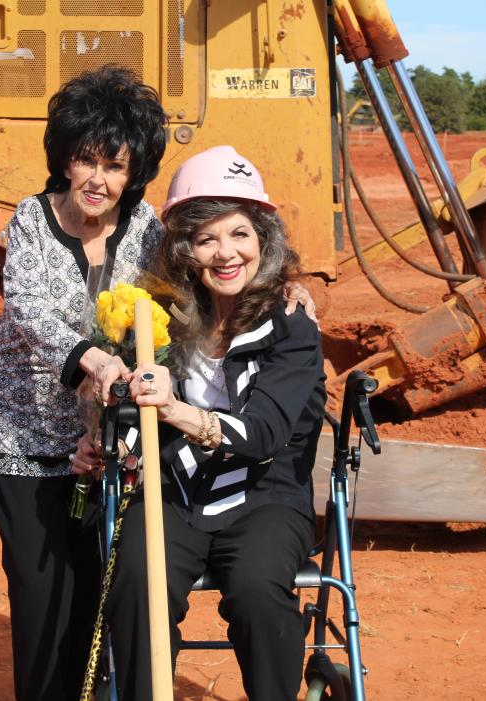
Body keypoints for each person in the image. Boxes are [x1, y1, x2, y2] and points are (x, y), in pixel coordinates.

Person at [100, 145, 327, 700]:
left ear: (262, 240)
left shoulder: (290, 324)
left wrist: (175, 408)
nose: (226, 253)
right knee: (135, 578)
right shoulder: (164, 322)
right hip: (176, 491)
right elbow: (132, 421)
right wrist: (121, 407)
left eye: (240, 234)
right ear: (185, 250)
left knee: (254, 586)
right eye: (207, 239)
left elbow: (267, 433)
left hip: (267, 495)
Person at [0, 64, 167, 701]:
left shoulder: (147, 231)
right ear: (64, 158)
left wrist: (287, 292)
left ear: (133, 173)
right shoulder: (31, 220)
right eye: (87, 159)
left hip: (112, 444)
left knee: (98, 590)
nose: (98, 179)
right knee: (42, 597)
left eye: (115, 166)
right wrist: (90, 357)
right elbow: (27, 309)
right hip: (29, 433)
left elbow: (195, 286)